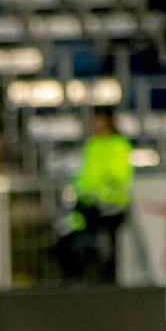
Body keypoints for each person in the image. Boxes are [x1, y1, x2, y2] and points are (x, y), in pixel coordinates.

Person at [57, 108, 132, 285]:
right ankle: (81, 282)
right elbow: (84, 175)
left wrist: (103, 196)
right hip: (86, 205)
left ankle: (108, 285)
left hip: (109, 208)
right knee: (69, 243)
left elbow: (118, 176)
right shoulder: (92, 144)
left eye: (98, 120)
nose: (95, 124)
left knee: (108, 249)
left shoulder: (118, 145)